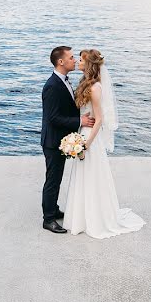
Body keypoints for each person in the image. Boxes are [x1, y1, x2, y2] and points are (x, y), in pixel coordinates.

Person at [63, 49, 145, 239]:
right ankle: (81, 217)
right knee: (83, 176)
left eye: (81, 60)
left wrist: (85, 145)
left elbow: (99, 120)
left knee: (92, 176)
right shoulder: (85, 83)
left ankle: (95, 219)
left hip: (90, 137)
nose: (78, 62)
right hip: (82, 132)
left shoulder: (95, 87)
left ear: (89, 64)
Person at [41, 46, 95, 234]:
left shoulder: (63, 81)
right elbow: (53, 118)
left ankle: (53, 209)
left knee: (57, 177)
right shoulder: (52, 86)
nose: (75, 60)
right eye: (71, 58)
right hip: (53, 141)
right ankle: (48, 219)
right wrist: (80, 120)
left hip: (62, 139)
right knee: (53, 180)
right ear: (61, 62)